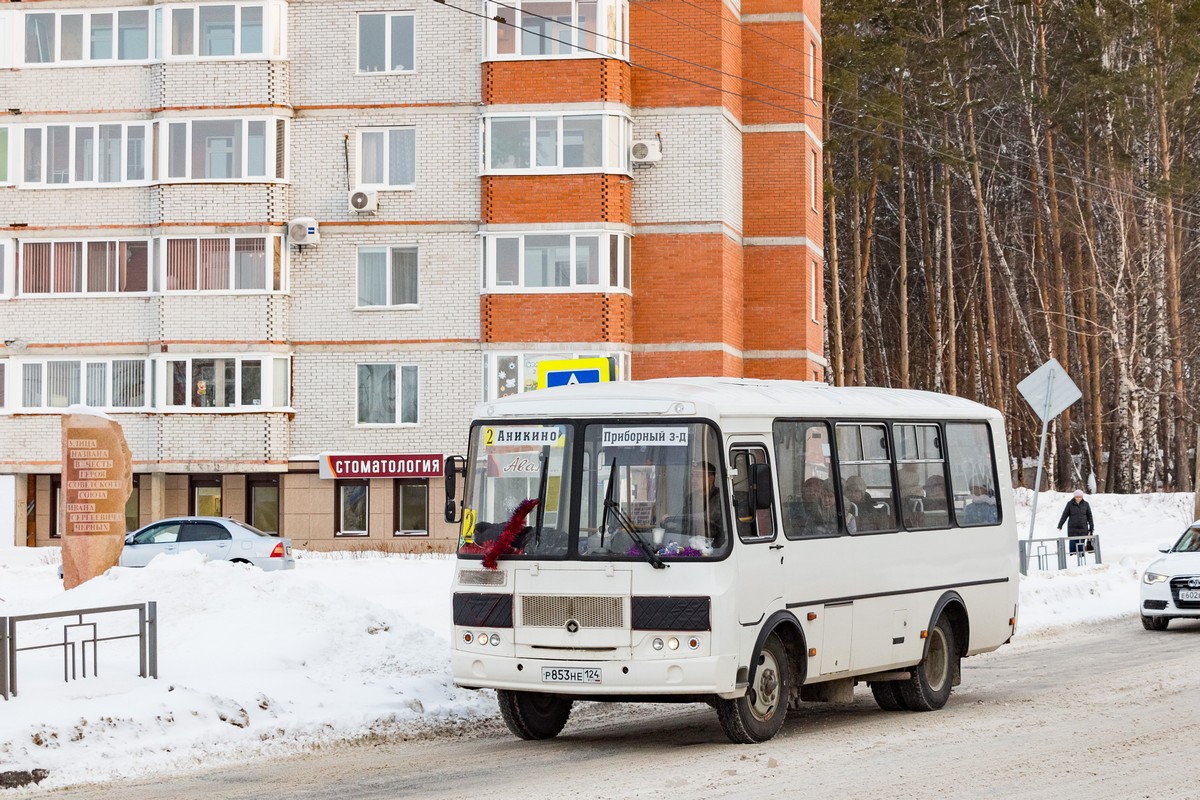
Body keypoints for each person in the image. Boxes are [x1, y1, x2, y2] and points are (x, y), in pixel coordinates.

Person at [1057, 489, 1094, 554]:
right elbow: (1064, 515)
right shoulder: (1069, 504)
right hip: (1072, 529)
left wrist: (1091, 527)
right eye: (1077, 497)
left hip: (1083, 529)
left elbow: (1089, 516)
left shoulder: (1086, 504)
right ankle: (1072, 559)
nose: (1078, 498)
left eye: (1080, 497)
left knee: (1081, 547)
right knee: (1073, 546)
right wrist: (1060, 525)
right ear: (1074, 496)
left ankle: (1081, 560)